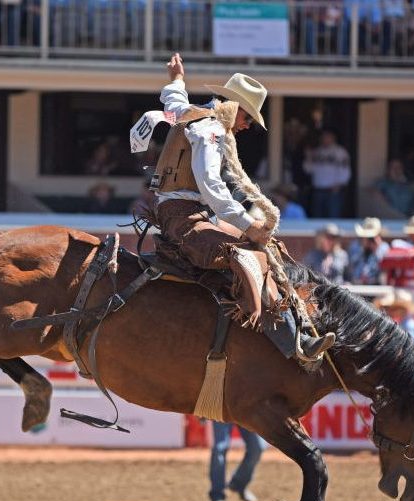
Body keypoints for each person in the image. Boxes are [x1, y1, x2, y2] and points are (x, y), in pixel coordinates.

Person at [142, 52, 334, 362]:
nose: (245, 127)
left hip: (190, 214)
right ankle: (292, 343)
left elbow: (174, 104)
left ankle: (292, 329)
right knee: (250, 253)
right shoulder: (211, 130)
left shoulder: (196, 115)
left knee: (266, 246)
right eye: (247, 118)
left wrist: (177, 79)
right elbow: (212, 187)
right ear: (234, 108)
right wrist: (249, 224)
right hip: (186, 218)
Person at [209, 421, 265, 501]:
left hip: (247, 409)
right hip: (222, 409)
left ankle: (238, 484)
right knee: (219, 449)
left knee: (257, 447)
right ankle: (217, 494)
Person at [303, 128, 351, 219]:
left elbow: (345, 170)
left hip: (333, 191)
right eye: (323, 137)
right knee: (317, 218)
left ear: (333, 138)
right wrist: (308, 157)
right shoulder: (316, 152)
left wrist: (340, 184)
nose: (324, 139)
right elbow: (308, 170)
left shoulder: (340, 152)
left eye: (327, 137)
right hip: (318, 190)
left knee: (333, 218)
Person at [347, 217, 390, 285]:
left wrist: (376, 249)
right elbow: (353, 270)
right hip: (359, 288)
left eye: (369, 237)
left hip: (377, 289)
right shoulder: (359, 249)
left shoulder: (384, 248)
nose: (364, 240)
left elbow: (384, 272)